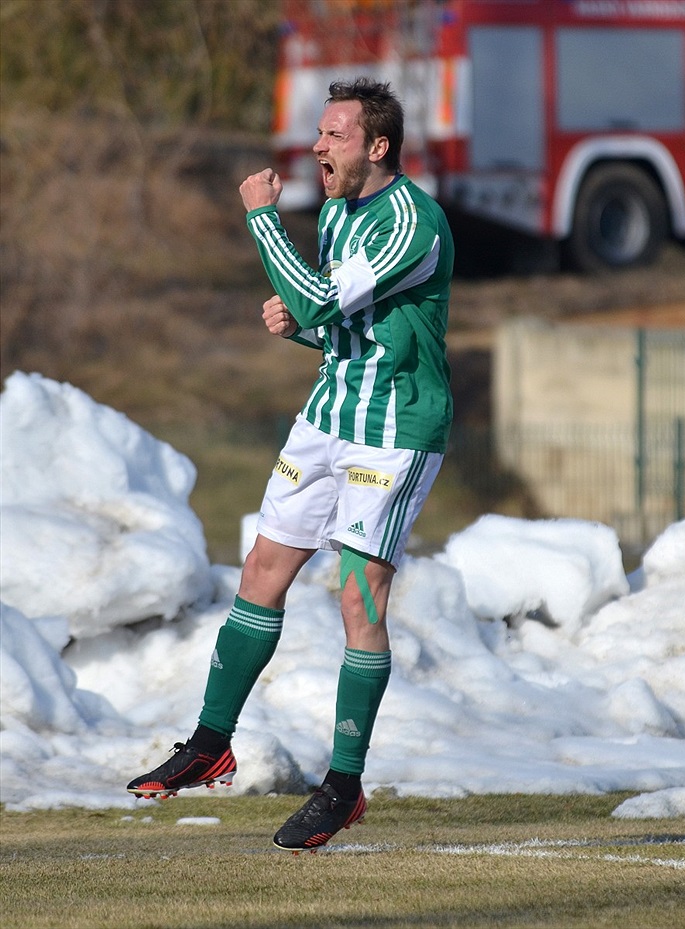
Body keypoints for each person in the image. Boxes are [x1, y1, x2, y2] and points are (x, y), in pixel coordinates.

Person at [126, 77, 454, 851]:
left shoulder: (413, 220)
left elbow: (314, 300)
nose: (317, 147)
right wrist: (303, 327)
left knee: (357, 596)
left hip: (394, 428)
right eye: (319, 133)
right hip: (328, 415)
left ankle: (342, 785)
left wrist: (262, 218)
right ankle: (210, 742)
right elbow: (336, 319)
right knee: (262, 571)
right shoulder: (340, 211)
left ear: (377, 146)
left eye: (333, 135)